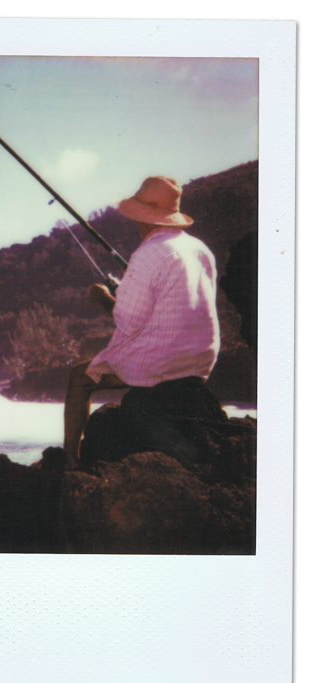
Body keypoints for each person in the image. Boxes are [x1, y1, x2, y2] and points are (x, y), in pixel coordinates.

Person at [63, 175, 221, 469]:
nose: (135, 223)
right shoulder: (201, 250)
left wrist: (104, 299)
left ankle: (70, 461)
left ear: (145, 218)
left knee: (79, 378)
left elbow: (127, 321)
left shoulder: (146, 254)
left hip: (163, 364)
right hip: (200, 362)